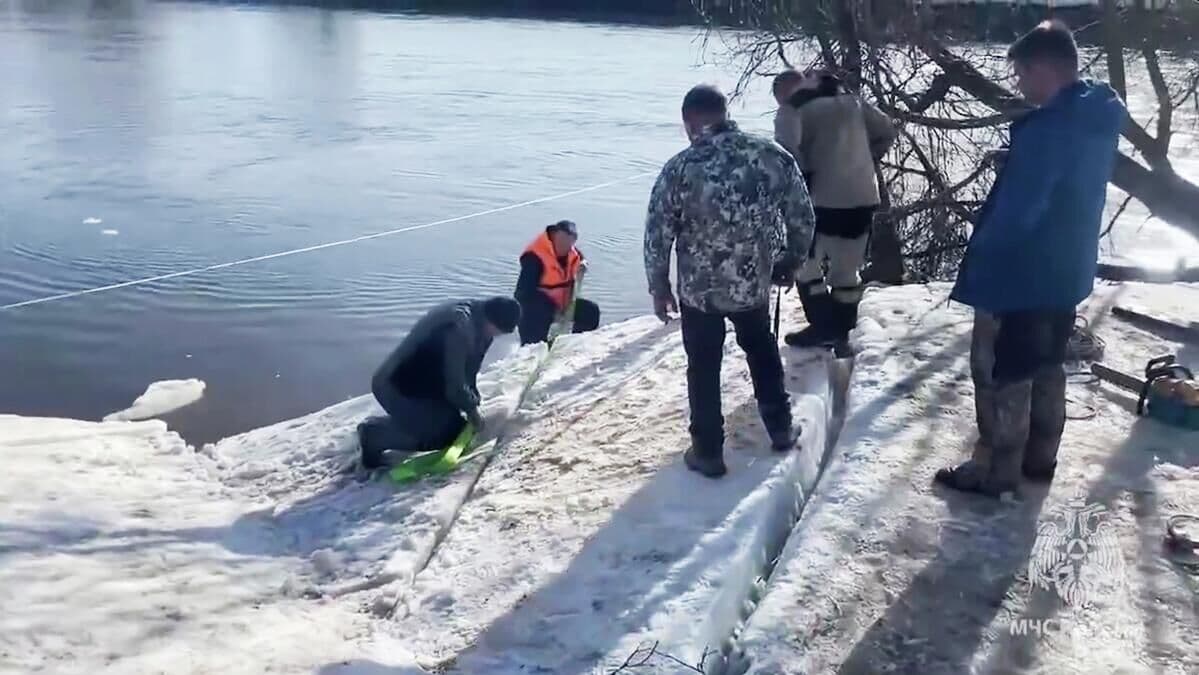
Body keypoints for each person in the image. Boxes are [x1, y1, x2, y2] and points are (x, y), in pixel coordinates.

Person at [935, 20, 1124, 498]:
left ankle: (998, 473)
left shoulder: (1047, 130)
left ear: (1043, 68)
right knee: (1048, 362)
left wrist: (985, 260)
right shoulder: (1095, 116)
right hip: (1068, 267)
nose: (1019, 84)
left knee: (1007, 371)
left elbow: (1022, 211)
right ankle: (1041, 460)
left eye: (1021, 73)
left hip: (1024, 272)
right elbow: (1064, 183)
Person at [645, 84, 816, 479]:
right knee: (761, 349)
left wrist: (659, 286)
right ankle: (780, 428)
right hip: (752, 283)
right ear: (724, 114)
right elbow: (802, 217)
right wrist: (790, 261)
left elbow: (657, 234)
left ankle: (707, 451)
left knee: (703, 365)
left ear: (689, 122)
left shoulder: (680, 168)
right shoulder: (770, 156)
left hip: (698, 292)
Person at [771, 67, 896, 354]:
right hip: (863, 195)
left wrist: (791, 194)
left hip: (820, 200)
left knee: (806, 266)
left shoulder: (792, 111)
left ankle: (822, 326)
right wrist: (871, 156)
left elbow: (787, 156)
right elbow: (887, 128)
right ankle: (842, 330)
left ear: (783, 93)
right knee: (847, 269)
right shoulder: (851, 101)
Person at [357, 296, 522, 469]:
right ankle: (374, 435)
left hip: (425, 384)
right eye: (496, 331)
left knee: (455, 425)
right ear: (490, 319)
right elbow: (455, 384)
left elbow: (469, 370)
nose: (495, 336)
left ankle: (408, 421)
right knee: (444, 436)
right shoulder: (458, 328)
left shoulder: (480, 321)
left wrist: (472, 398)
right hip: (396, 386)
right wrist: (472, 410)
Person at [515, 220, 600, 345]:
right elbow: (524, 293)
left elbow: (580, 257)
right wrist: (552, 309)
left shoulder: (572, 252)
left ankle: (576, 345)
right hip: (533, 308)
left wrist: (583, 263)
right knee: (538, 311)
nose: (564, 246)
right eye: (561, 240)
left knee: (590, 310)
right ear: (554, 236)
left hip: (562, 304)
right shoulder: (534, 257)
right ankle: (533, 350)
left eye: (569, 242)